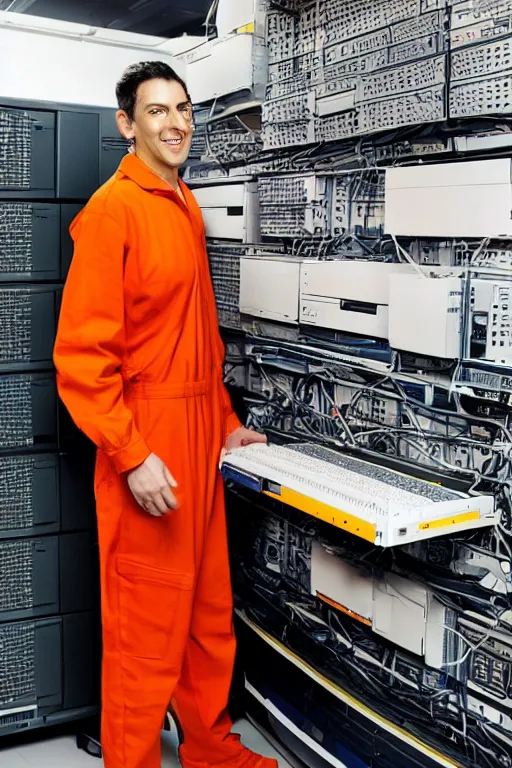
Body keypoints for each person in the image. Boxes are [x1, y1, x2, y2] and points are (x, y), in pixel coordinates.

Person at [53, 61, 274, 768]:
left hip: (199, 431)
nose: (176, 123)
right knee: (145, 629)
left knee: (207, 614)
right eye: (157, 112)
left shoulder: (184, 205)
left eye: (183, 109)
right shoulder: (114, 210)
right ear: (127, 124)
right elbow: (82, 359)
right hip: (146, 436)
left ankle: (210, 745)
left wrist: (226, 418)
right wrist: (131, 454)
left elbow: (196, 336)